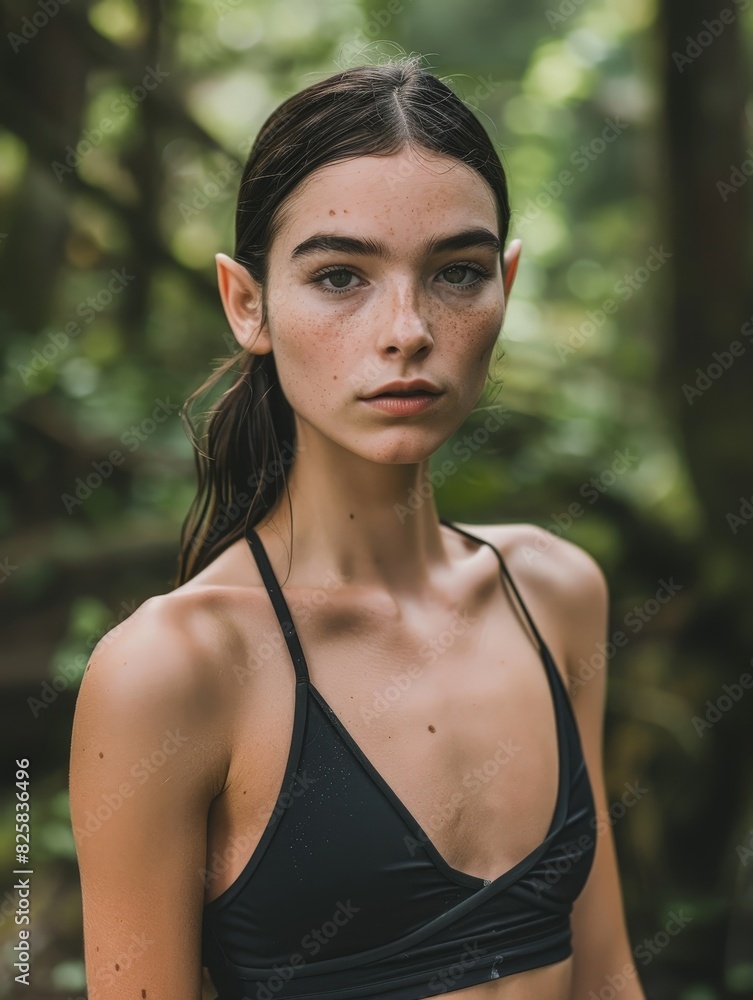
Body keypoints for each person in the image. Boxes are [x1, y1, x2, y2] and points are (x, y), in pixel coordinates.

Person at [69, 56, 646, 1000]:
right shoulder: (173, 670)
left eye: (456, 273)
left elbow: (607, 976)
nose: (407, 328)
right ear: (247, 302)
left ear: (503, 286)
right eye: (341, 276)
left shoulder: (554, 593)